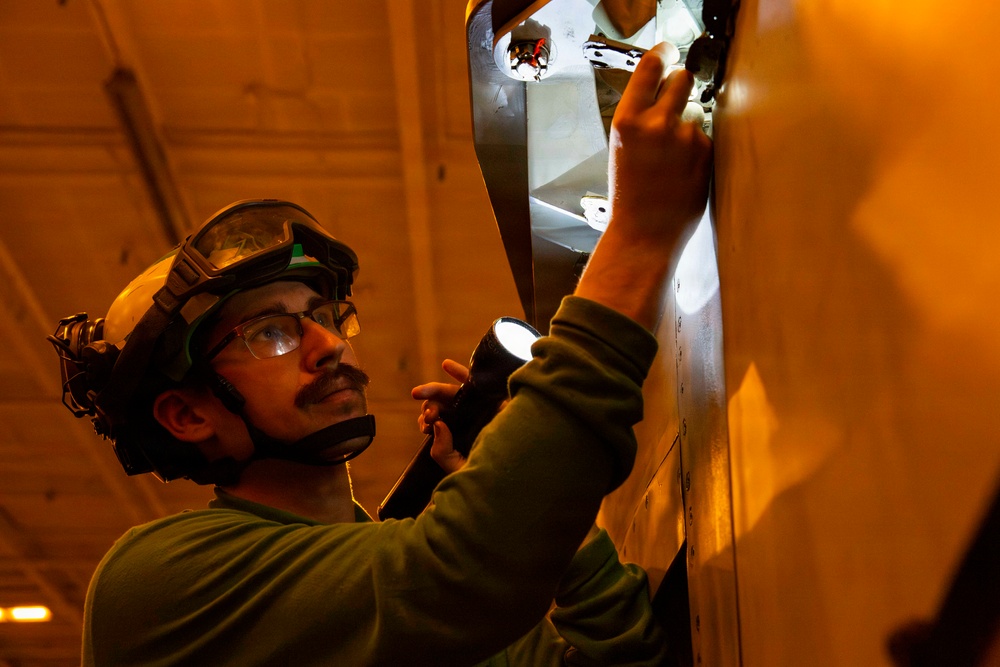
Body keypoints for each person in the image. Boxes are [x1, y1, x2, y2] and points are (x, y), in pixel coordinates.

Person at [50, 43, 712, 666]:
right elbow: (454, 572)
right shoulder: (157, 581)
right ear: (186, 415)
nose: (329, 343)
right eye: (272, 333)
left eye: (324, 316)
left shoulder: (418, 611)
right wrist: (634, 242)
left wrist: (524, 486)